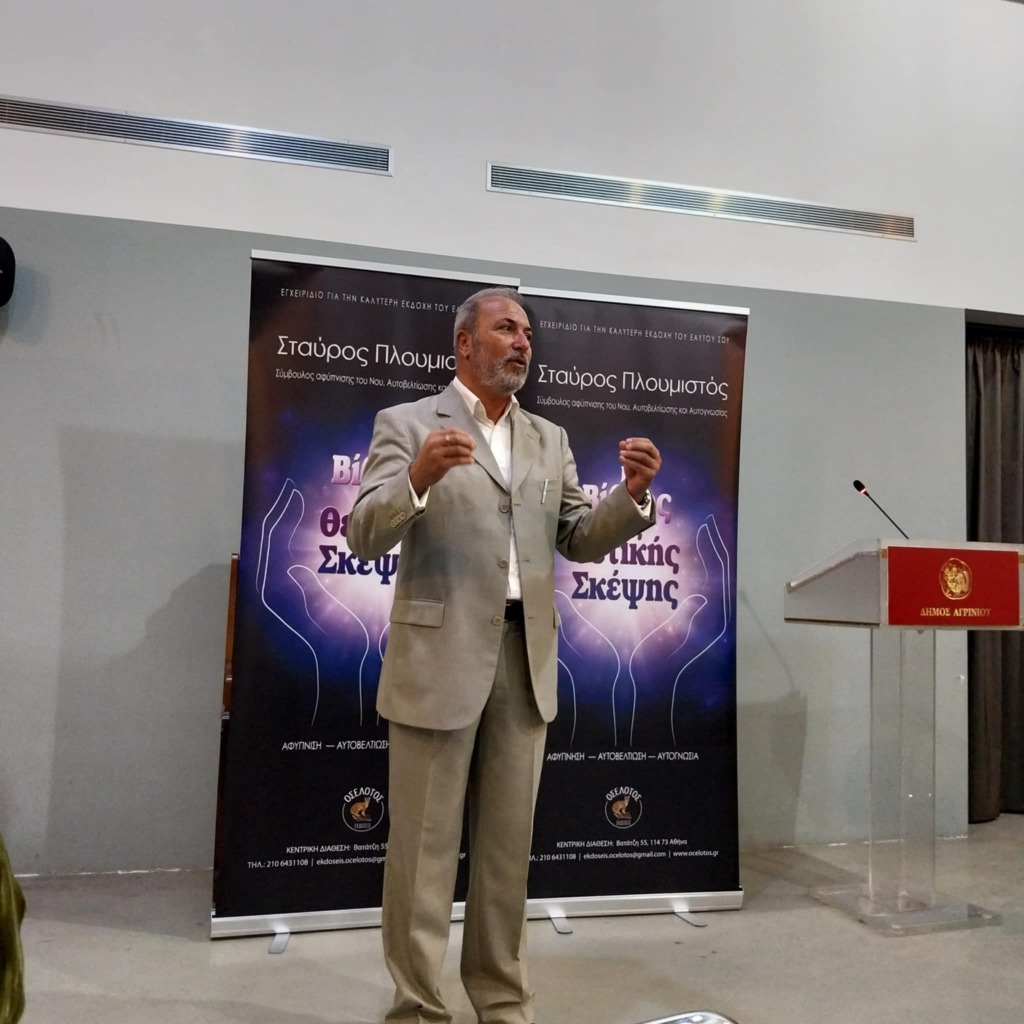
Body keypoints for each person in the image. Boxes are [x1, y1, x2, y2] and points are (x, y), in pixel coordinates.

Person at [347, 287, 661, 1024]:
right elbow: (363, 533)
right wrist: (417, 478)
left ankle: (501, 1000)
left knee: (505, 856)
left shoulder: (549, 438)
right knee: (422, 856)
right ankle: (418, 1010)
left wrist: (631, 499)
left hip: (525, 664)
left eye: (527, 332)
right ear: (465, 344)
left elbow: (577, 536)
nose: (522, 341)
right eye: (506, 329)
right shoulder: (407, 424)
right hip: (438, 664)